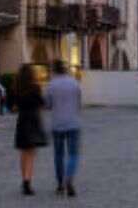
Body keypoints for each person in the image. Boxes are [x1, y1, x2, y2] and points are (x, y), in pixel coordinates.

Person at [45, 60, 82, 197]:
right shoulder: (74, 83)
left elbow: (47, 104)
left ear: (55, 70)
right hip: (73, 123)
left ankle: (60, 184)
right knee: (73, 154)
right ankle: (69, 179)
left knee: (58, 155)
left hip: (57, 124)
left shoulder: (51, 84)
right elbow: (79, 103)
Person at [14, 66, 48, 196]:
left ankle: (24, 180)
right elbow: (42, 104)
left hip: (22, 120)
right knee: (31, 153)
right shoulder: (35, 88)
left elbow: (15, 105)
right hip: (33, 120)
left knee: (23, 153)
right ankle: (28, 182)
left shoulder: (18, 88)